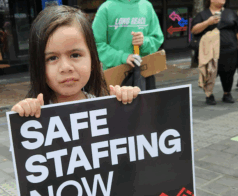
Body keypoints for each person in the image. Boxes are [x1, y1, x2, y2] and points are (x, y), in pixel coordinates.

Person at [11, 5, 141, 118]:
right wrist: (21, 119)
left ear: (93, 60)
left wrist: (127, 104)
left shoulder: (108, 106)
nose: (66, 67)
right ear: (38, 65)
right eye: (52, 58)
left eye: (75, 55)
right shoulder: (34, 115)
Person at [92, 0, 164, 90]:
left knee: (147, 103)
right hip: (116, 76)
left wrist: (144, 42)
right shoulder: (106, 8)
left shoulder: (147, 6)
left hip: (145, 73)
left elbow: (157, 38)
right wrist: (122, 57)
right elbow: (95, 44)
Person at [191, 0, 238, 104]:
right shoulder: (203, 14)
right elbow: (194, 30)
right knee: (209, 72)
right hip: (209, 51)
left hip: (229, 49)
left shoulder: (230, 13)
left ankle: (227, 94)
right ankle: (209, 95)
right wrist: (208, 22)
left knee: (229, 72)